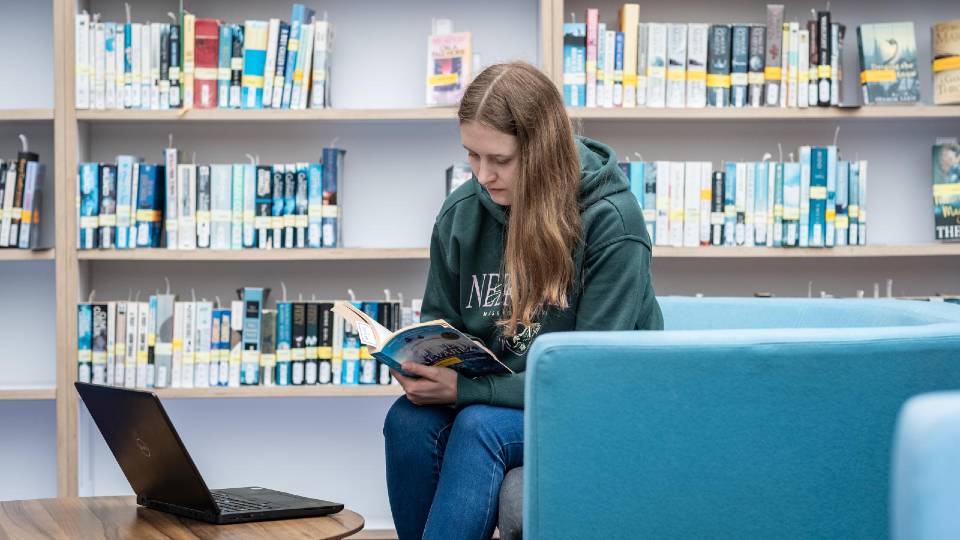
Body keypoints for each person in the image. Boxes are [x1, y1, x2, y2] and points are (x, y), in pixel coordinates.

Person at [382, 61, 663, 540]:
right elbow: (440, 324)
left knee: (479, 428)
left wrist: (467, 391)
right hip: (504, 398)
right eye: (472, 156)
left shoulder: (611, 220)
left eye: (500, 160)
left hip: (600, 406)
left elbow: (589, 376)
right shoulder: (462, 212)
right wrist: (421, 362)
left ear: (543, 150)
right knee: (407, 423)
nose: (483, 175)